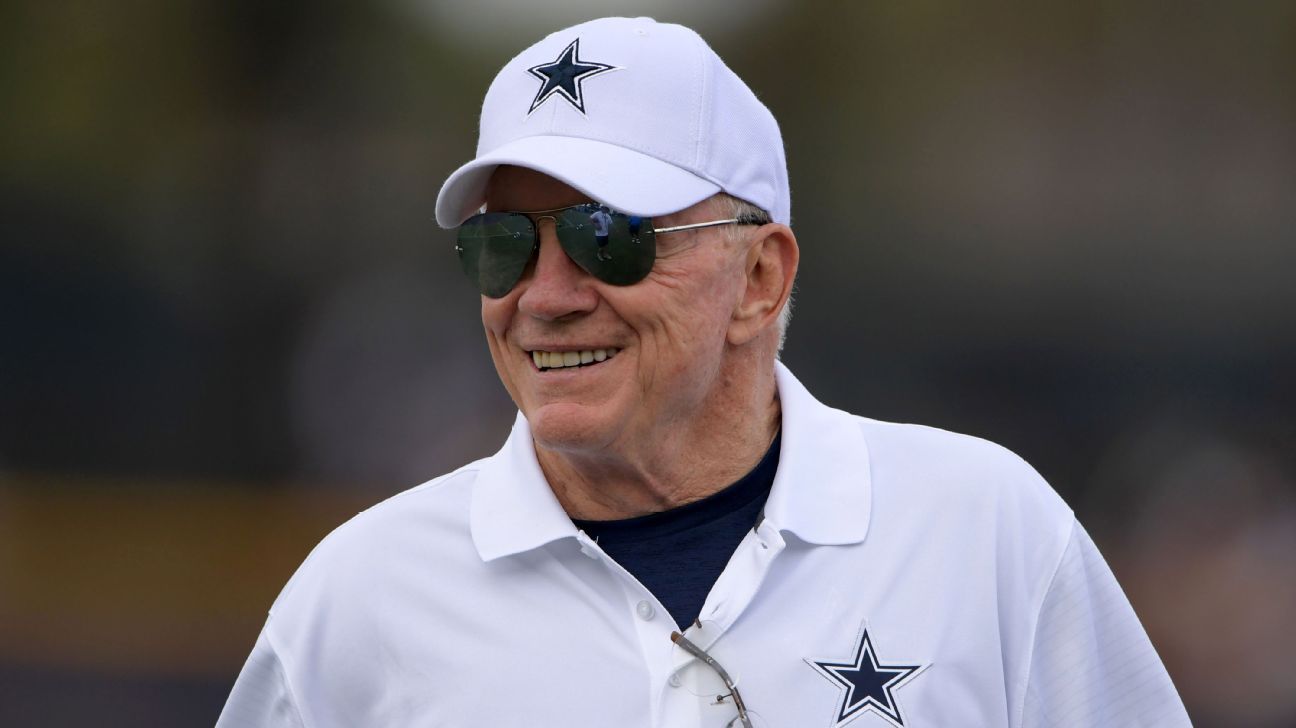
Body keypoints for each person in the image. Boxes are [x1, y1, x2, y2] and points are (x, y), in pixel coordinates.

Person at [218, 17, 1190, 728]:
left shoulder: (987, 533)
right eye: (502, 244)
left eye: (611, 237)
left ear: (760, 278)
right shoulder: (360, 594)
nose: (546, 294)